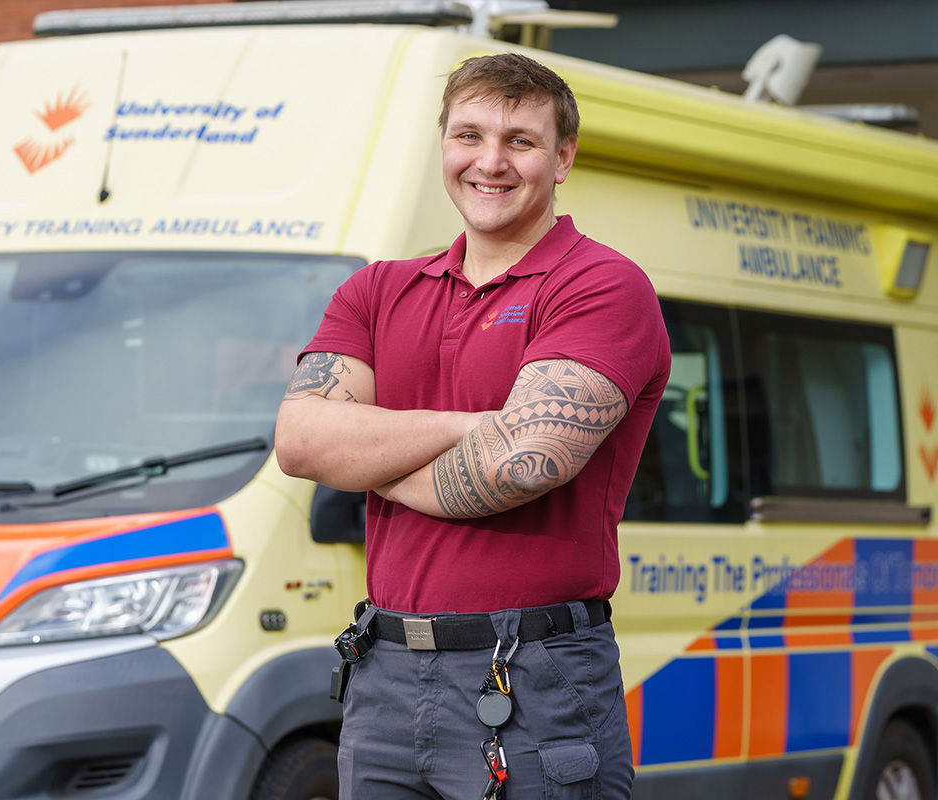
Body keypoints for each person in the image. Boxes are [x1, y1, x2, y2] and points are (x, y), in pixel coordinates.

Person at [275, 52, 670, 800]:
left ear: (563, 158)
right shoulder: (377, 289)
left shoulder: (602, 285)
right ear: (444, 145)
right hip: (383, 672)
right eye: (469, 135)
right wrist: (474, 423)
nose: (490, 162)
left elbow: (522, 466)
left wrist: (360, 452)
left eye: (520, 140)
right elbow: (299, 444)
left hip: (536, 675)